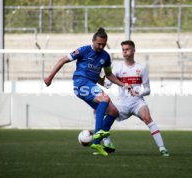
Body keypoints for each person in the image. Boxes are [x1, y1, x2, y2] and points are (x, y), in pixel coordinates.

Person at [44, 27, 130, 156]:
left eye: (103, 44)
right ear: (93, 41)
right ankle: (98, 133)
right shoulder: (84, 50)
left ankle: (96, 142)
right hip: (81, 83)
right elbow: (63, 60)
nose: (101, 46)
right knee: (105, 99)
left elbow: (109, 74)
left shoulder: (105, 56)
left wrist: (123, 85)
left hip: (91, 85)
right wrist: (50, 77)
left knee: (113, 112)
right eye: (98, 44)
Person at [100, 40, 169, 156]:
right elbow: (107, 85)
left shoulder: (141, 69)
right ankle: (107, 144)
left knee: (148, 118)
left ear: (133, 51)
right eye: (123, 50)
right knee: (106, 116)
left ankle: (162, 148)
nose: (124, 52)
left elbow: (148, 89)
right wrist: (100, 80)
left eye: (127, 49)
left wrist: (139, 93)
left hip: (137, 102)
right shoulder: (117, 68)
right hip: (122, 104)